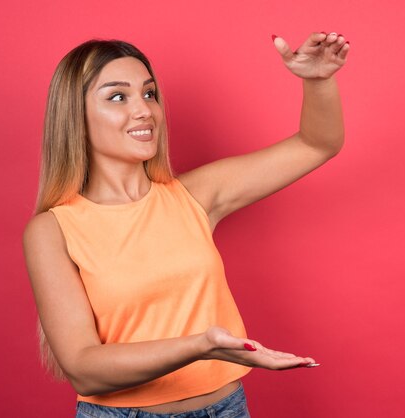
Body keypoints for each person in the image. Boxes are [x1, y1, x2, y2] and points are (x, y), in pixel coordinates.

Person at [22, 31, 349, 417]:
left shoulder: (193, 196)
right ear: (75, 115)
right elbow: (83, 369)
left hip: (224, 408)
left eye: (149, 93)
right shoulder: (52, 229)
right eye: (117, 96)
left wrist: (318, 80)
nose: (145, 110)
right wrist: (200, 346)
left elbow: (316, 144)